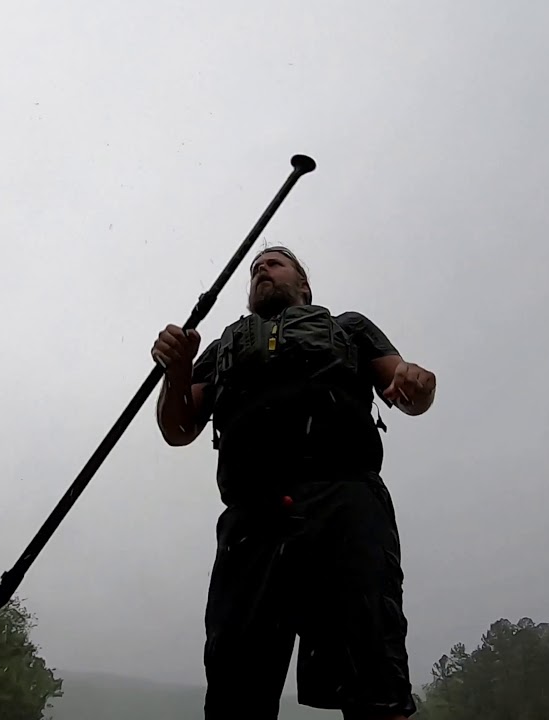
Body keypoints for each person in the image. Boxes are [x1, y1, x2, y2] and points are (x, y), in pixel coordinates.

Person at [151, 246, 437, 719]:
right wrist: (177, 371)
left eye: (274, 263)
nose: (261, 269)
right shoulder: (221, 349)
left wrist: (418, 383)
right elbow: (178, 429)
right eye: (255, 268)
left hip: (345, 504)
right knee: (234, 688)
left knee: (374, 676)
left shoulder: (351, 328)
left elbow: (411, 393)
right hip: (251, 519)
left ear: (303, 285)